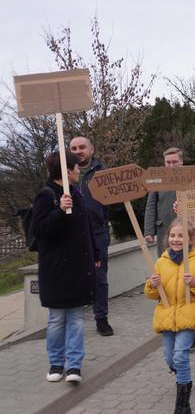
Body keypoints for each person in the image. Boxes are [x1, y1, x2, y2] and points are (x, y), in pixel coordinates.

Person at [32, 151, 98, 384]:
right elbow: (39, 231)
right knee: (57, 319)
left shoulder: (77, 194)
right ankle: (56, 363)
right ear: (67, 170)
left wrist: (96, 254)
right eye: (76, 168)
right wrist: (59, 211)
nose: (79, 171)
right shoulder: (46, 195)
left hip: (79, 268)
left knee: (77, 319)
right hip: (57, 270)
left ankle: (74, 365)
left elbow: (86, 229)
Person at [145, 218, 195, 414]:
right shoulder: (161, 262)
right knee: (169, 358)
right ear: (167, 238)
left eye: (181, 236)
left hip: (189, 315)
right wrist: (151, 284)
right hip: (167, 317)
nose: (176, 239)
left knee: (180, 355)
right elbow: (152, 295)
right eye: (173, 235)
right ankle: (182, 374)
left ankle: (183, 403)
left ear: (191, 239)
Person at [69, 136, 113, 337]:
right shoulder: (64, 173)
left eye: (82, 147)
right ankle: (73, 321)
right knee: (72, 277)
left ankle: (101, 319)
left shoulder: (102, 173)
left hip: (97, 232)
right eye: (74, 148)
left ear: (91, 149)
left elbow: (117, 200)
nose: (78, 151)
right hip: (71, 233)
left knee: (99, 278)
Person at [144, 147, 183, 254]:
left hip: (186, 230)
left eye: (174, 162)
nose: (171, 165)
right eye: (168, 162)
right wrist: (148, 231)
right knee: (165, 262)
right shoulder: (157, 179)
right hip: (164, 230)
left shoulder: (193, 178)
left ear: (181, 161)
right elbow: (151, 206)